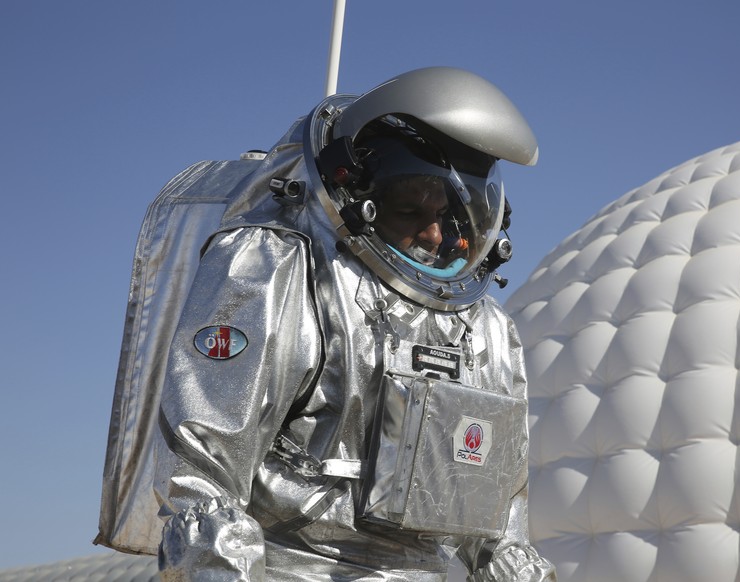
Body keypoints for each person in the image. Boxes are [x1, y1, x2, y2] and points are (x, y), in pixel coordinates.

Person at [141, 67, 555, 581]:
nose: (432, 233)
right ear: (359, 194)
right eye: (409, 210)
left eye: (446, 215)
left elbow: (497, 522)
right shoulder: (277, 269)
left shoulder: (487, 328)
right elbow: (201, 476)